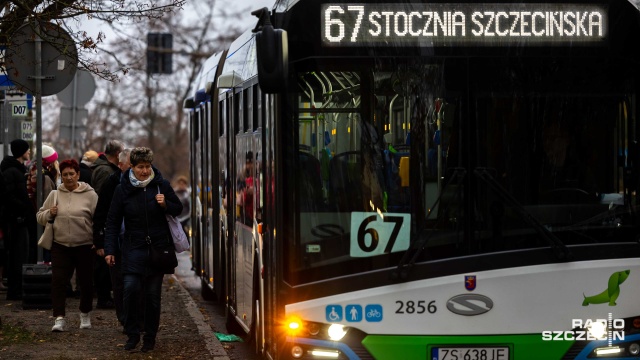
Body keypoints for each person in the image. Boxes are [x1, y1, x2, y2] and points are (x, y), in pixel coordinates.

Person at [104, 147, 182, 352]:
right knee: (130, 289)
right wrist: (110, 249)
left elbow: (178, 208)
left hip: (157, 250)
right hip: (133, 248)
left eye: (148, 167)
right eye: (141, 167)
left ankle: (150, 337)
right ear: (132, 167)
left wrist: (166, 204)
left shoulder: (161, 185)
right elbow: (112, 221)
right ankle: (132, 333)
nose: (145, 171)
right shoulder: (123, 188)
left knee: (152, 296)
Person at [36, 159, 98, 332]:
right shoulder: (55, 194)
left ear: (78, 174)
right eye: (65, 175)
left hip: (85, 245)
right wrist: (50, 213)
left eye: (72, 174)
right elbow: (39, 216)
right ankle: (59, 317)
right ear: (61, 177)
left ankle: (84, 313)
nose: (69, 178)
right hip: (60, 245)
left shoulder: (90, 195)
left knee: (86, 282)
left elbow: (98, 220)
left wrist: (97, 241)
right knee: (58, 282)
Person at [93, 148, 131, 326]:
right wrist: (100, 242)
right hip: (116, 241)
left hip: (135, 242)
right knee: (119, 284)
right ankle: (124, 319)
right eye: (131, 164)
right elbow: (101, 214)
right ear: (121, 165)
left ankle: (136, 319)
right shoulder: (112, 182)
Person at [91, 140, 124, 309]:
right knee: (104, 267)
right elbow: (102, 201)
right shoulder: (107, 172)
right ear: (118, 154)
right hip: (105, 224)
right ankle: (104, 298)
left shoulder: (102, 168)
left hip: (103, 224)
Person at [1, 139, 35, 300]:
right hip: (16, 220)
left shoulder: (16, 170)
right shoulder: (12, 172)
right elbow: (9, 196)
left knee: (20, 254)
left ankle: (16, 289)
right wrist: (23, 207)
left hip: (18, 219)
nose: (29, 152)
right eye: (27, 150)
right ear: (22, 152)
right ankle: (15, 290)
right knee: (18, 255)